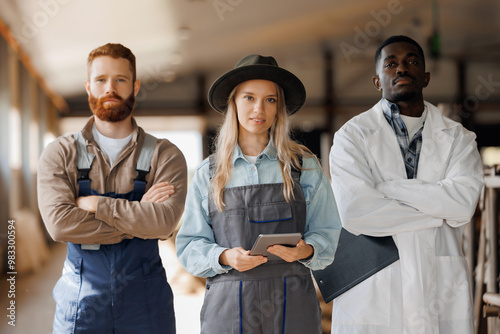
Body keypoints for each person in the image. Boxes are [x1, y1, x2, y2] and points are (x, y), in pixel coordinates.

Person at [176, 54, 341, 333]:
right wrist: (225, 256)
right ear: (234, 103)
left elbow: (329, 233)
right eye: (249, 98)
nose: (259, 109)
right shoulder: (209, 173)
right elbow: (190, 245)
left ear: (279, 108)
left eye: (270, 99)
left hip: (293, 305)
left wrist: (307, 249)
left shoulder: (303, 167)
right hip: (228, 308)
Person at [329, 35, 484, 333]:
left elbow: (463, 205)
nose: (402, 69)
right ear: (377, 81)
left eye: (411, 61)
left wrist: (387, 189)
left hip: (440, 286)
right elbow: (356, 212)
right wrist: (439, 209)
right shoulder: (352, 136)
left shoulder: (459, 139)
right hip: (373, 290)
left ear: (425, 77)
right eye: (391, 64)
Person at [37, 43, 187, 333]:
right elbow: (59, 226)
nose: (111, 88)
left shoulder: (165, 155)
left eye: (120, 79)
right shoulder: (59, 153)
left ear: (135, 86)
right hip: (80, 304)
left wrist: (95, 205)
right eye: (101, 80)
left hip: (147, 305)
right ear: (88, 87)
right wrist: (141, 218)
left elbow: (166, 222)